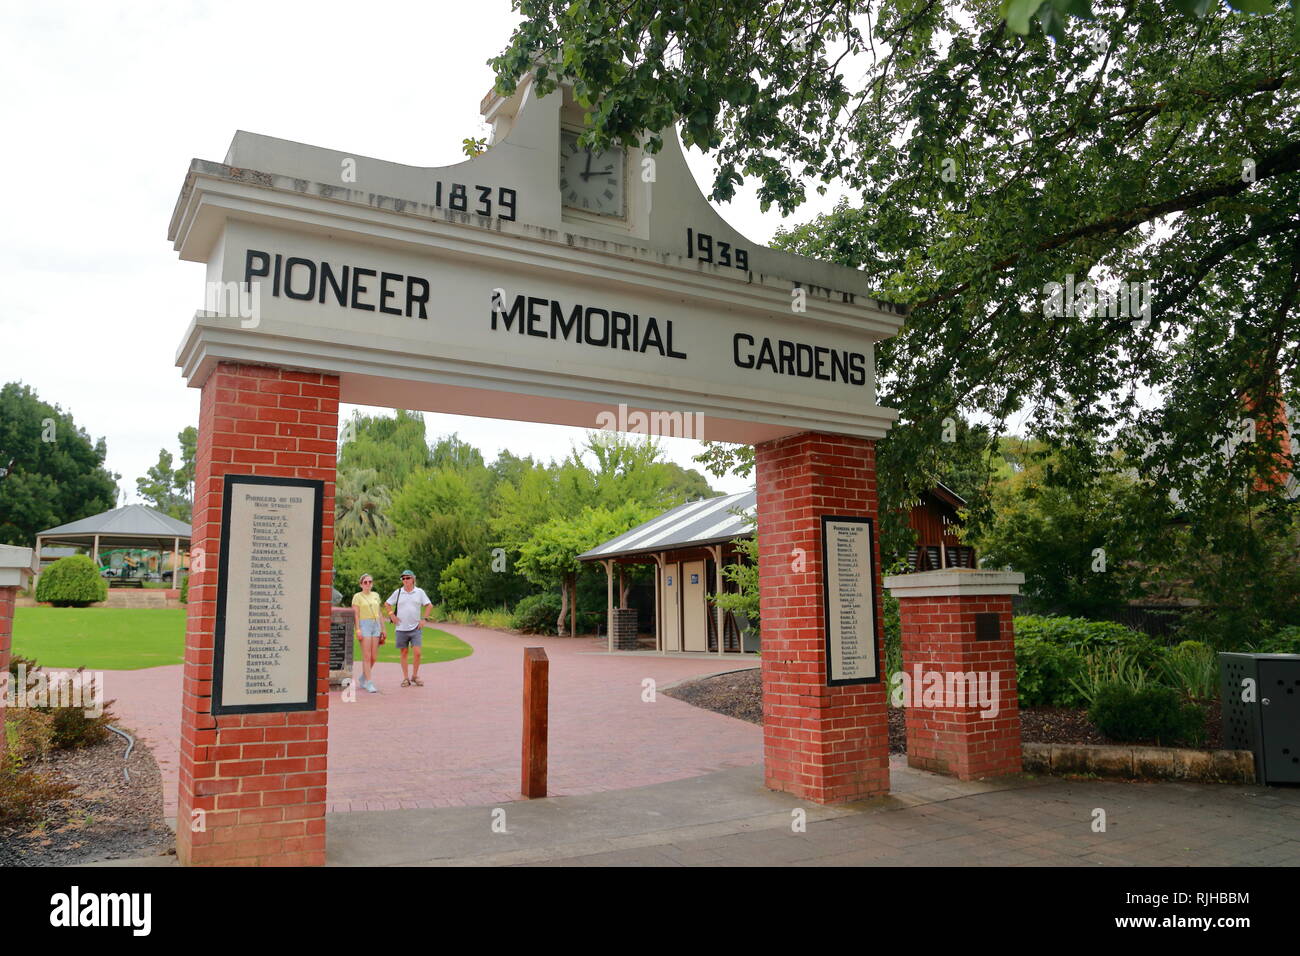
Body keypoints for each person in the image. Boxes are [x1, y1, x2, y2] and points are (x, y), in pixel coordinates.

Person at [385, 570, 432, 688]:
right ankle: (405, 678)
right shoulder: (399, 592)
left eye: (407, 578)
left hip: (415, 628)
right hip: (401, 628)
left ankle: (415, 676)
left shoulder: (419, 592)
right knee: (404, 653)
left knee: (417, 653)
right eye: (403, 578)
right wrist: (391, 615)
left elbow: (429, 605)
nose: (405, 580)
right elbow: (387, 603)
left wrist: (424, 619)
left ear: (413, 579)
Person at [351, 573, 384, 694]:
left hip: (375, 625)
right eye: (365, 582)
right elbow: (356, 614)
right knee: (367, 655)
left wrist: (383, 629)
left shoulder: (375, 595)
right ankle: (369, 682)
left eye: (370, 582)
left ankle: (363, 677)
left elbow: (379, 613)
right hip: (364, 625)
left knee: (374, 656)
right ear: (361, 584)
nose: (368, 584)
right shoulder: (357, 597)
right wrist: (358, 629)